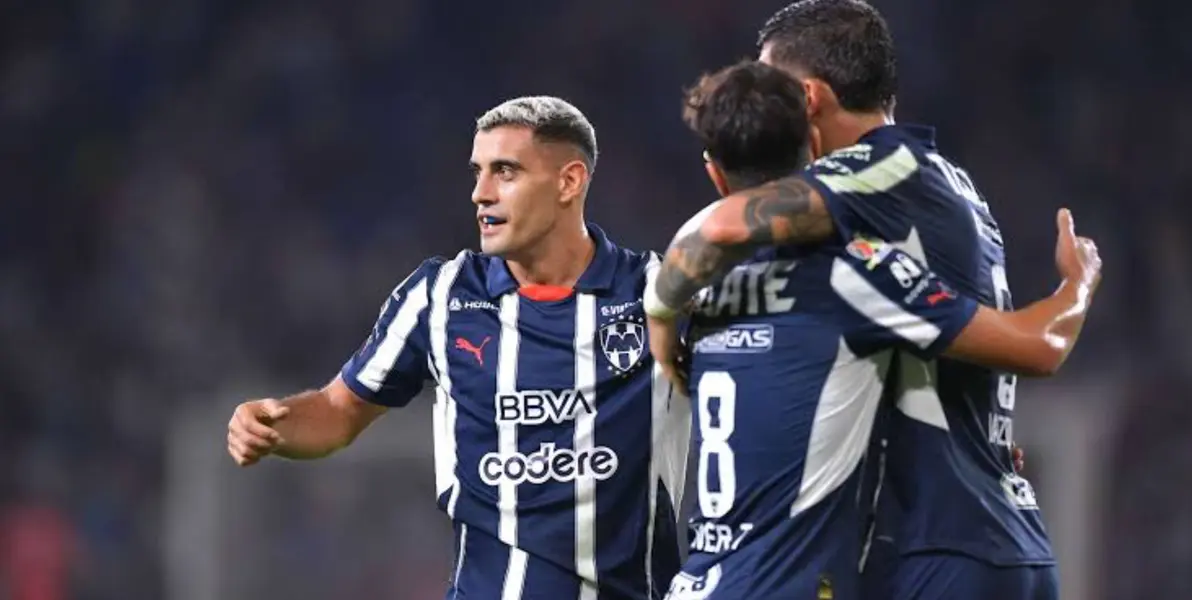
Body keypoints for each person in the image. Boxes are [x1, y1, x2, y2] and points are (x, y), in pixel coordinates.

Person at [646, 2, 1104, 597]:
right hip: (978, 525)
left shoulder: (873, 180)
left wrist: (662, 312)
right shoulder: (940, 182)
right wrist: (1076, 284)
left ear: (808, 98)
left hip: (936, 540)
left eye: (771, 88)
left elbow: (720, 226)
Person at [226, 96, 691, 600]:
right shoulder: (441, 295)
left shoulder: (658, 293)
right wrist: (274, 424)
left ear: (569, 181)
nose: (480, 193)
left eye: (505, 172)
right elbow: (340, 410)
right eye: (478, 173)